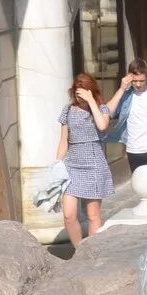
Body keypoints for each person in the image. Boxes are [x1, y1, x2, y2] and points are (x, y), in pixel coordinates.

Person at [56, 71, 113, 248]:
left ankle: (92, 254)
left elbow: (102, 126)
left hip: (94, 164)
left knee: (92, 215)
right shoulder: (67, 111)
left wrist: (91, 101)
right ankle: (78, 251)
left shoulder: (101, 109)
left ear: (91, 91)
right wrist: (57, 165)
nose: (79, 98)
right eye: (77, 94)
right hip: (72, 165)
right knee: (68, 215)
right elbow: (63, 140)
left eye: (84, 94)